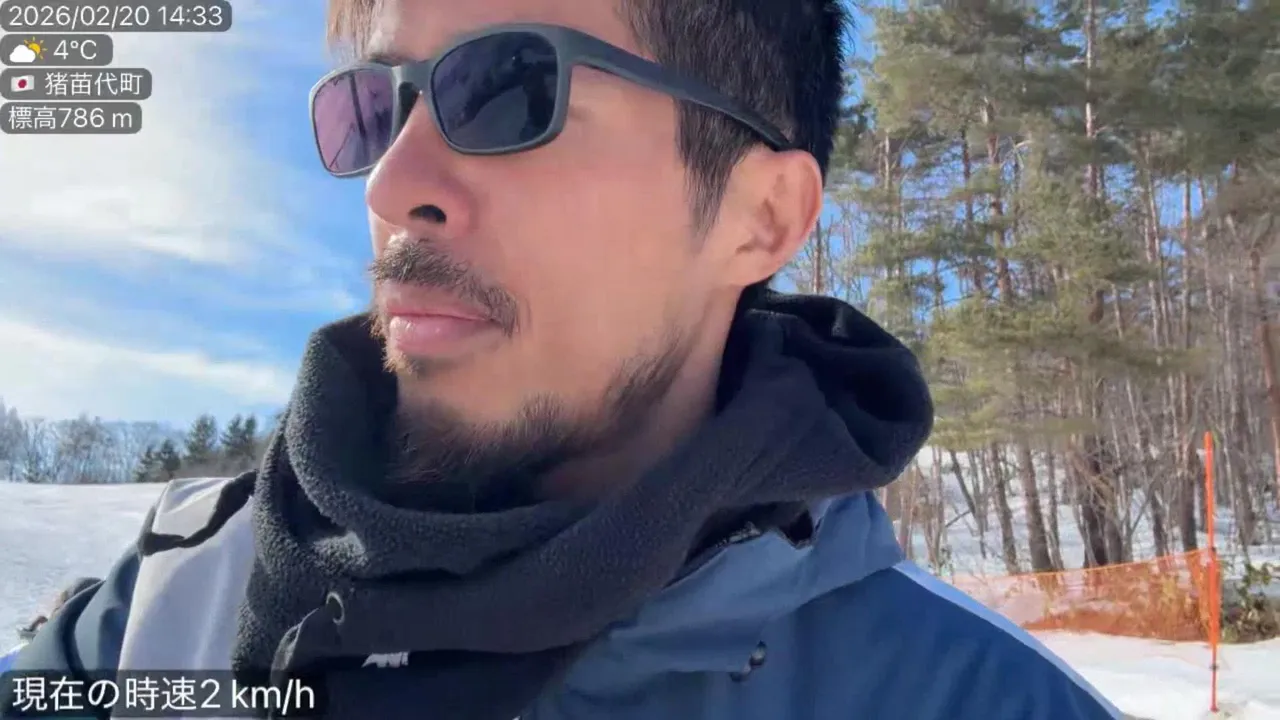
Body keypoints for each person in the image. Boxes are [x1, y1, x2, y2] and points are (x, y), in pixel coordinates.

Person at [1, 0, 1122, 718]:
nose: (391, 184)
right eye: (373, 108)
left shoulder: (958, 697)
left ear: (761, 219)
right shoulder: (159, 616)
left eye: (507, 89)